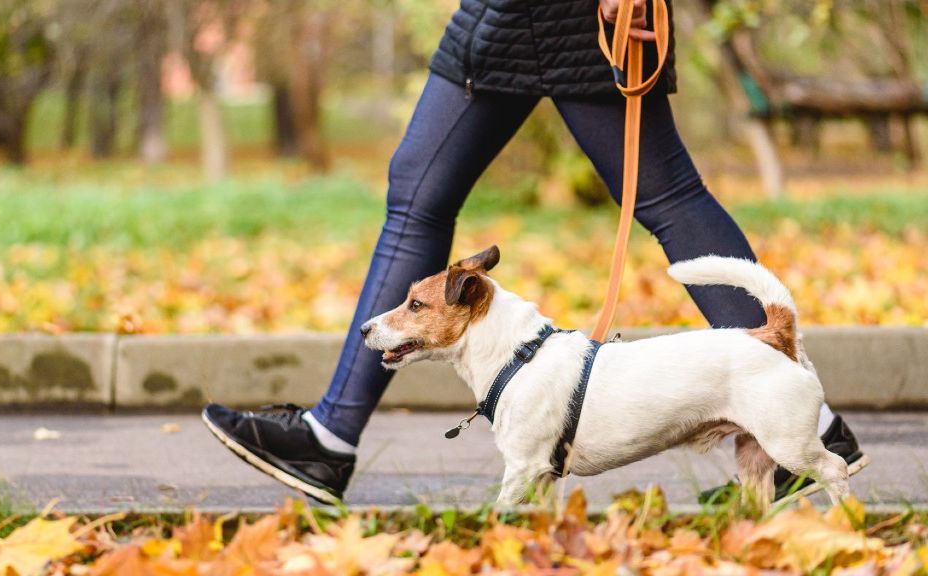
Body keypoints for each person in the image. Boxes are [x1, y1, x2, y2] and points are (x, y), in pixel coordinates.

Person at [202, 0, 866, 505]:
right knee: (419, 190)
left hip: (568, 13)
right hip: (509, 16)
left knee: (663, 194)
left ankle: (803, 417)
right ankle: (331, 436)